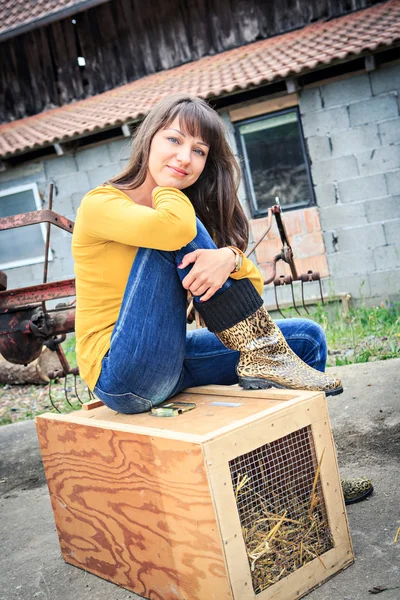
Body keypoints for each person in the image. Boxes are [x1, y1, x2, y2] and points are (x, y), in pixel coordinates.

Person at [72, 95, 371, 503]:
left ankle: (301, 482)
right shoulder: (102, 204)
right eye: (174, 140)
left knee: (306, 339)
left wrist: (228, 257)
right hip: (122, 375)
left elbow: (253, 285)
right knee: (176, 228)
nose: (185, 158)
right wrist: (174, 196)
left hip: (170, 361)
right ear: (148, 139)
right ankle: (262, 354)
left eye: (199, 151)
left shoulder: (175, 214)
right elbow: (173, 229)